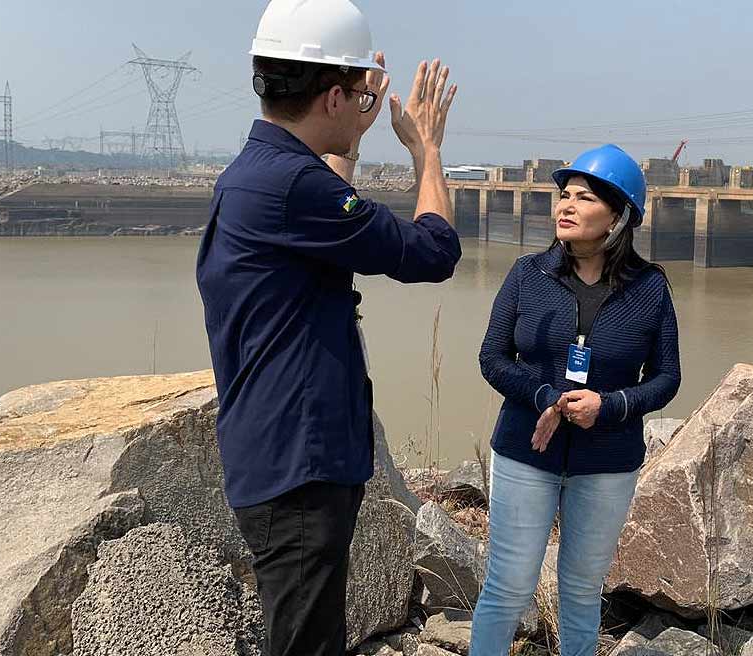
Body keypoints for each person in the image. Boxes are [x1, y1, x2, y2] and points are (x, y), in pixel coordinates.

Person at [195, 1, 460, 654]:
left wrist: (354, 140)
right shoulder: (293, 188)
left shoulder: (261, 178)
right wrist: (427, 151)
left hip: (277, 457)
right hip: (299, 472)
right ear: (336, 95)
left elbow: (330, 224)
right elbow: (434, 251)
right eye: (363, 91)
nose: (374, 99)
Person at [471, 145, 681, 656]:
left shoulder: (650, 288)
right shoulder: (528, 275)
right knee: (507, 589)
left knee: (583, 594)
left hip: (607, 462)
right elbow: (492, 358)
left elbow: (666, 378)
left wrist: (608, 407)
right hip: (526, 452)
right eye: (563, 195)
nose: (565, 205)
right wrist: (544, 395)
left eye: (583, 198)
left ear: (619, 216)